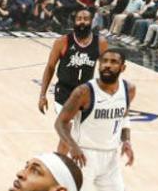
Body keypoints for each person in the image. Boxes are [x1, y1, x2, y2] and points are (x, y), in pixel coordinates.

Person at [55, 49, 136, 191]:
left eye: (113, 62)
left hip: (110, 158)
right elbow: (60, 123)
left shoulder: (129, 89)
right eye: (104, 61)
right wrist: (73, 146)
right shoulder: (84, 92)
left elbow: (124, 116)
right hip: (85, 157)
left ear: (123, 67)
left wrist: (127, 140)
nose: (107, 65)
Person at [38, 9, 108, 153]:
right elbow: (50, 67)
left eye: (86, 19)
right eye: (79, 19)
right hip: (64, 92)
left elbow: (105, 70)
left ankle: (73, 166)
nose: (82, 22)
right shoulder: (62, 41)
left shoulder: (100, 43)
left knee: (81, 136)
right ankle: (60, 167)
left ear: (91, 21)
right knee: (67, 130)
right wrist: (43, 95)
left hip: (85, 93)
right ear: (74, 21)